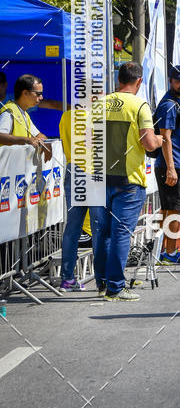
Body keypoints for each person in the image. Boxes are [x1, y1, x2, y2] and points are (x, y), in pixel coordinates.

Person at [90, 62, 163, 301]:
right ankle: (115, 287)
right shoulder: (139, 105)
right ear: (139, 81)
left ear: (118, 79)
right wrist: (160, 140)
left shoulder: (99, 103)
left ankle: (103, 283)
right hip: (128, 180)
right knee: (121, 233)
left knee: (102, 233)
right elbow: (149, 144)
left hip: (99, 177)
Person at [154, 64, 180, 265]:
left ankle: (162, 251)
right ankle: (169, 253)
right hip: (171, 165)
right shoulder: (169, 105)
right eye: (178, 80)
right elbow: (165, 138)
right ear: (170, 81)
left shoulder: (177, 102)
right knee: (173, 210)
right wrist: (171, 168)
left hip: (178, 163)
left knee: (170, 209)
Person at [58, 108, 93, 291]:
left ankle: (67, 278)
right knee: (100, 227)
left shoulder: (66, 116)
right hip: (93, 170)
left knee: (72, 228)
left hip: (73, 170)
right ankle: (104, 280)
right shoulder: (96, 116)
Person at [0, 74, 52, 162]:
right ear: (25, 93)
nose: (41, 97)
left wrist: (46, 142)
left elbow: (38, 135)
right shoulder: (9, 112)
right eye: (38, 94)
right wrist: (27, 140)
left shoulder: (24, 114)